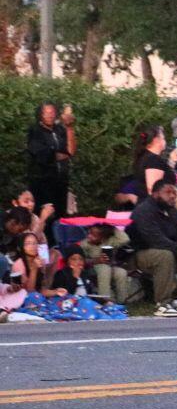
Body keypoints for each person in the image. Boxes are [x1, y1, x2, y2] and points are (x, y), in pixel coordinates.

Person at [128, 181, 177, 317]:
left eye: (174, 193)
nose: (173, 196)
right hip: (141, 254)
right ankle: (163, 303)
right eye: (168, 192)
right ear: (155, 194)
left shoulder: (172, 211)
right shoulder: (143, 211)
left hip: (169, 249)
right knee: (164, 255)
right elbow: (156, 241)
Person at [26, 102, 76, 241]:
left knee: (60, 216)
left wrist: (70, 128)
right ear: (40, 115)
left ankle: (58, 248)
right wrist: (58, 154)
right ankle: (43, 247)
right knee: (46, 216)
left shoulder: (60, 129)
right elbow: (41, 154)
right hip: (42, 183)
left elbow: (71, 150)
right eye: (46, 113)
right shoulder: (35, 131)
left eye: (52, 112)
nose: (50, 115)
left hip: (61, 182)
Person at [79, 224, 134, 304]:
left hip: (110, 267)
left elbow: (125, 239)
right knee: (104, 268)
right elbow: (81, 261)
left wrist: (113, 227)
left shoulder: (110, 241)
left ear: (103, 237)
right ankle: (105, 300)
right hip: (92, 268)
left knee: (121, 272)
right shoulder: (85, 244)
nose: (90, 236)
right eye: (89, 233)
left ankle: (122, 301)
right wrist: (96, 260)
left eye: (94, 235)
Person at [131, 123, 177, 202]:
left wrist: (172, 162)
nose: (165, 140)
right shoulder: (153, 160)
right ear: (156, 140)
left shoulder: (146, 157)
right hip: (153, 210)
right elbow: (153, 189)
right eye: (163, 138)